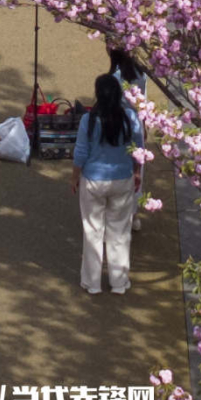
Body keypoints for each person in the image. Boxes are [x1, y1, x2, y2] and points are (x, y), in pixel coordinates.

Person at [70, 72, 143, 294]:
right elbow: (138, 148)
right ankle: (119, 283)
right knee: (119, 231)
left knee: (92, 231)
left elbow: (81, 151)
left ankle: (92, 283)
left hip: (93, 180)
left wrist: (75, 176)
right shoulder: (130, 118)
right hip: (122, 178)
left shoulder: (88, 120)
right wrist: (137, 172)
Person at [108, 45, 148, 230]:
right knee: (136, 168)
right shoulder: (140, 73)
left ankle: (118, 214)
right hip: (136, 123)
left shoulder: (115, 77)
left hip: (119, 124)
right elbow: (143, 101)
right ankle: (133, 214)